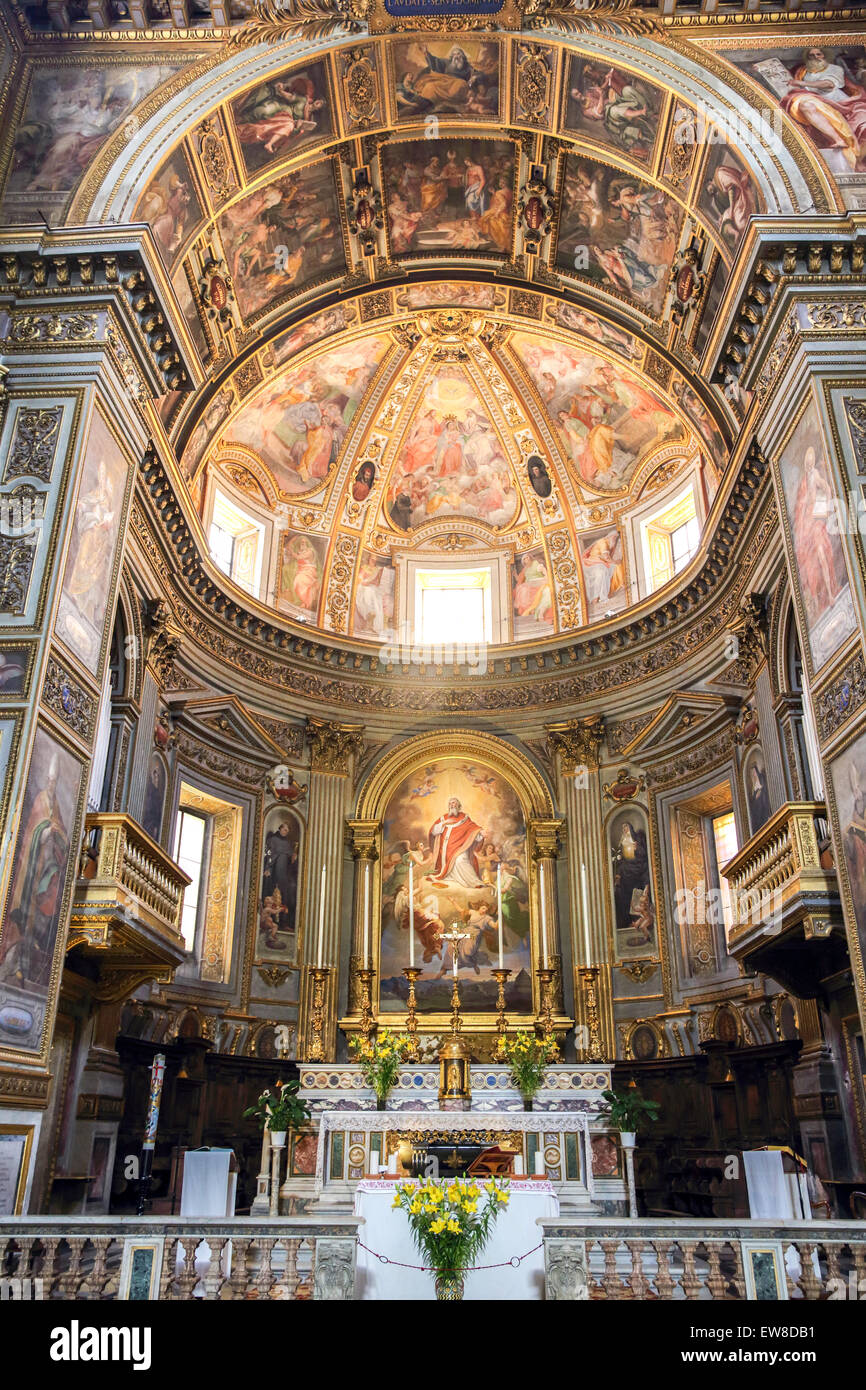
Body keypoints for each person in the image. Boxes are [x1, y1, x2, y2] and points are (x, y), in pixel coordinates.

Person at [428, 797, 485, 887]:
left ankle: (474, 883)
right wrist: (444, 823)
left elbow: (473, 830)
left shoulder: (465, 819)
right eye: (450, 803)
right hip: (444, 851)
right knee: (449, 862)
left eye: (454, 803)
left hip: (459, 849)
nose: (452, 805)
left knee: (460, 860)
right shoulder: (443, 818)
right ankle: (450, 877)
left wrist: (480, 833)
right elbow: (434, 831)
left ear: (459, 806)